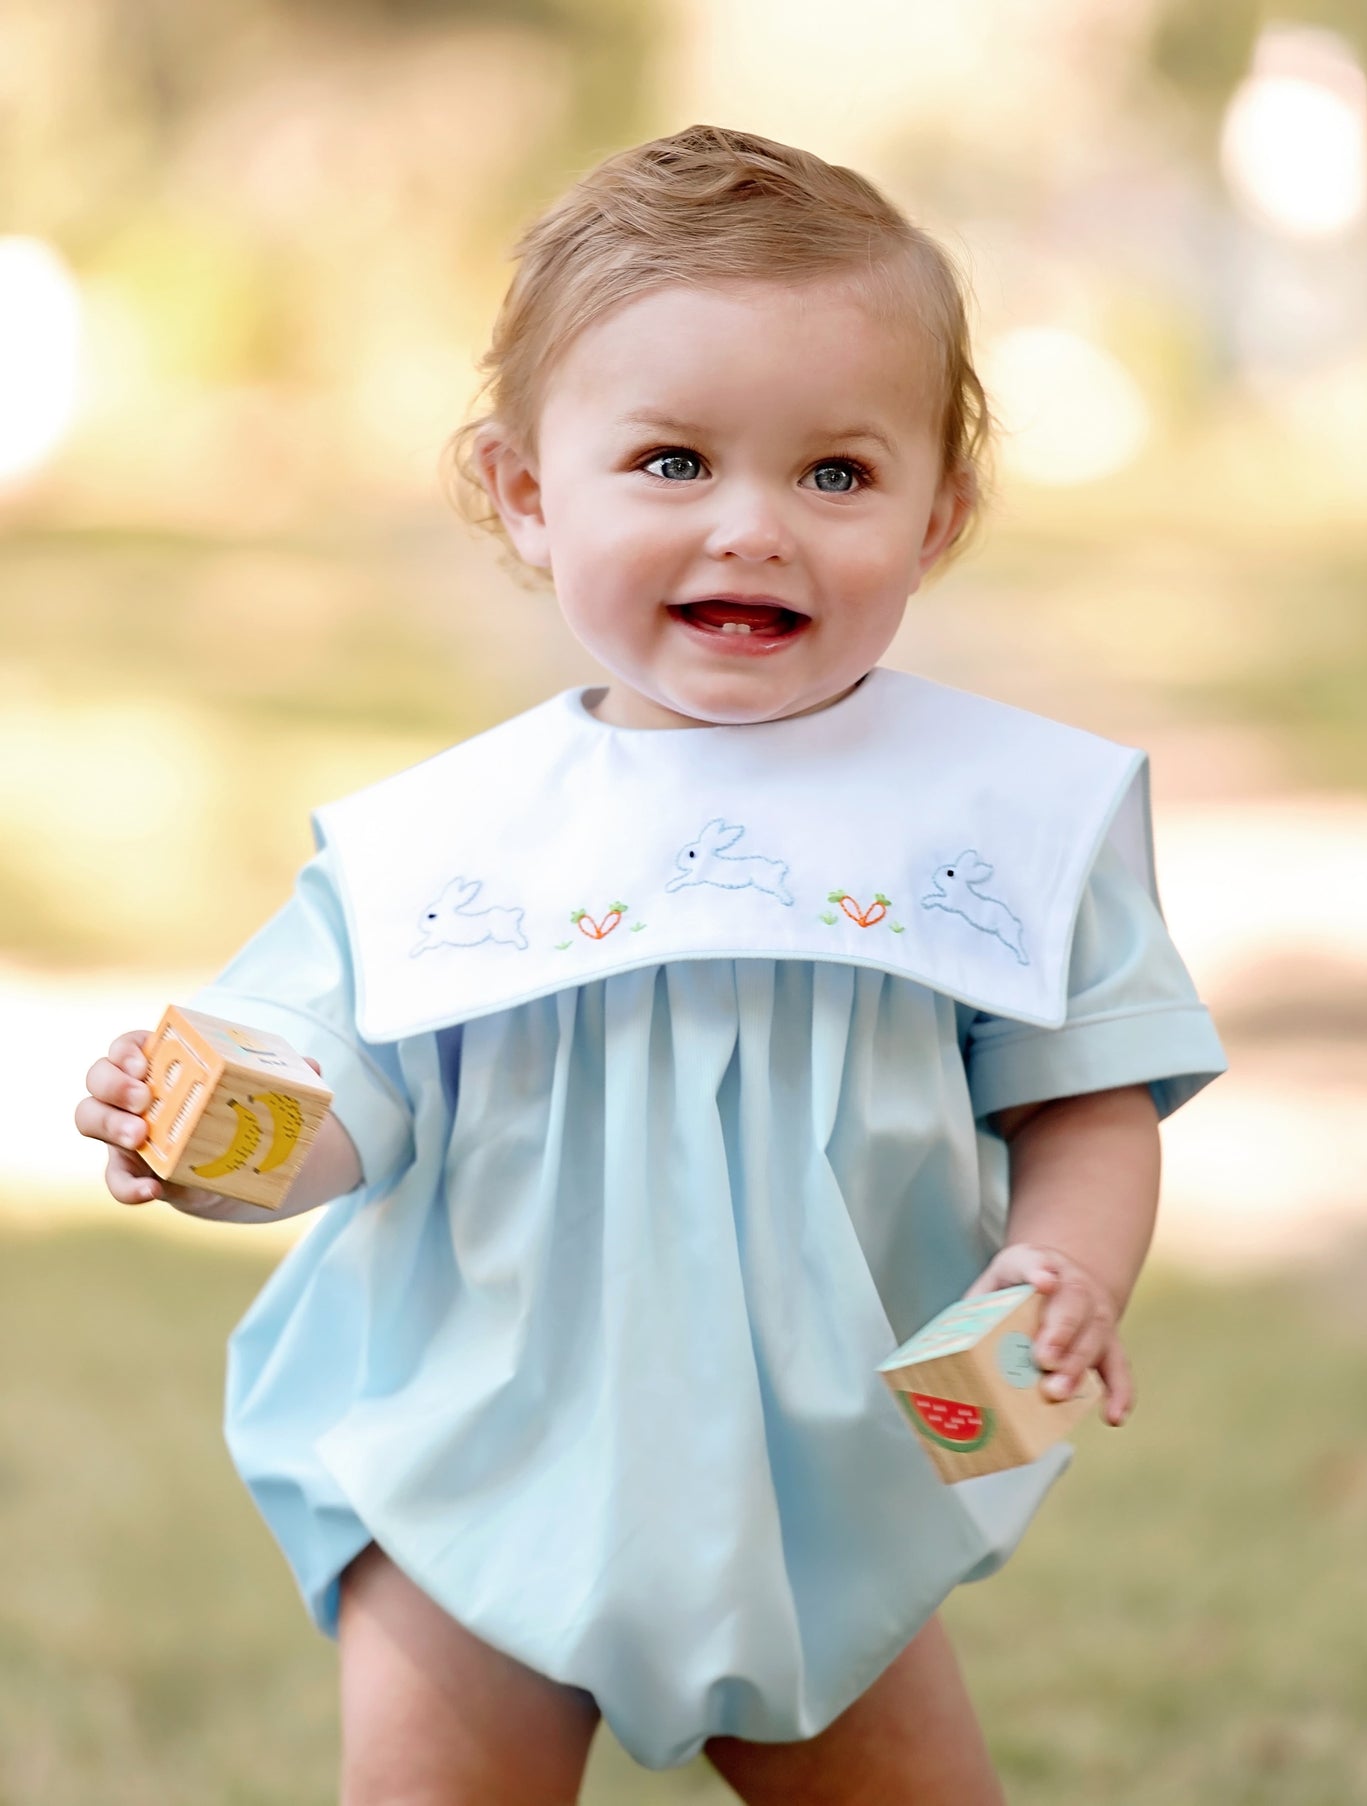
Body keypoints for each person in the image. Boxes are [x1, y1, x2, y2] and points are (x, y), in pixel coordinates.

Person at [75, 125, 1227, 1805]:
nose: (753, 527)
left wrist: (1065, 1264)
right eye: (673, 461)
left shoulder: (1000, 820)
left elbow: (1086, 1106)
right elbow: (337, 1110)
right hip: (477, 1461)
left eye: (836, 473)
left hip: (816, 1489)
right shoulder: (442, 845)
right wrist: (211, 1135)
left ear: (940, 509)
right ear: (527, 495)